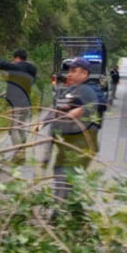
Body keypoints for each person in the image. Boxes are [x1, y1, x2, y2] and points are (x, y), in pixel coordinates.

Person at [39, 57, 100, 204]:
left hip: (81, 145)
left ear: (84, 74)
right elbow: (55, 110)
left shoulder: (90, 90)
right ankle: (65, 213)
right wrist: (42, 122)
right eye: (69, 71)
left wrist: (82, 109)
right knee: (62, 179)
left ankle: (60, 214)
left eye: (74, 71)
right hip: (65, 143)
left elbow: (97, 104)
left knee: (66, 180)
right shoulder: (67, 91)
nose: (69, 74)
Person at [0, 49, 37, 160]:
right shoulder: (31, 69)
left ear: (16, 57)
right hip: (26, 104)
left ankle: (19, 153)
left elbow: (2, 64)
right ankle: (22, 149)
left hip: (17, 104)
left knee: (15, 129)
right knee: (20, 128)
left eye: (13, 59)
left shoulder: (18, 67)